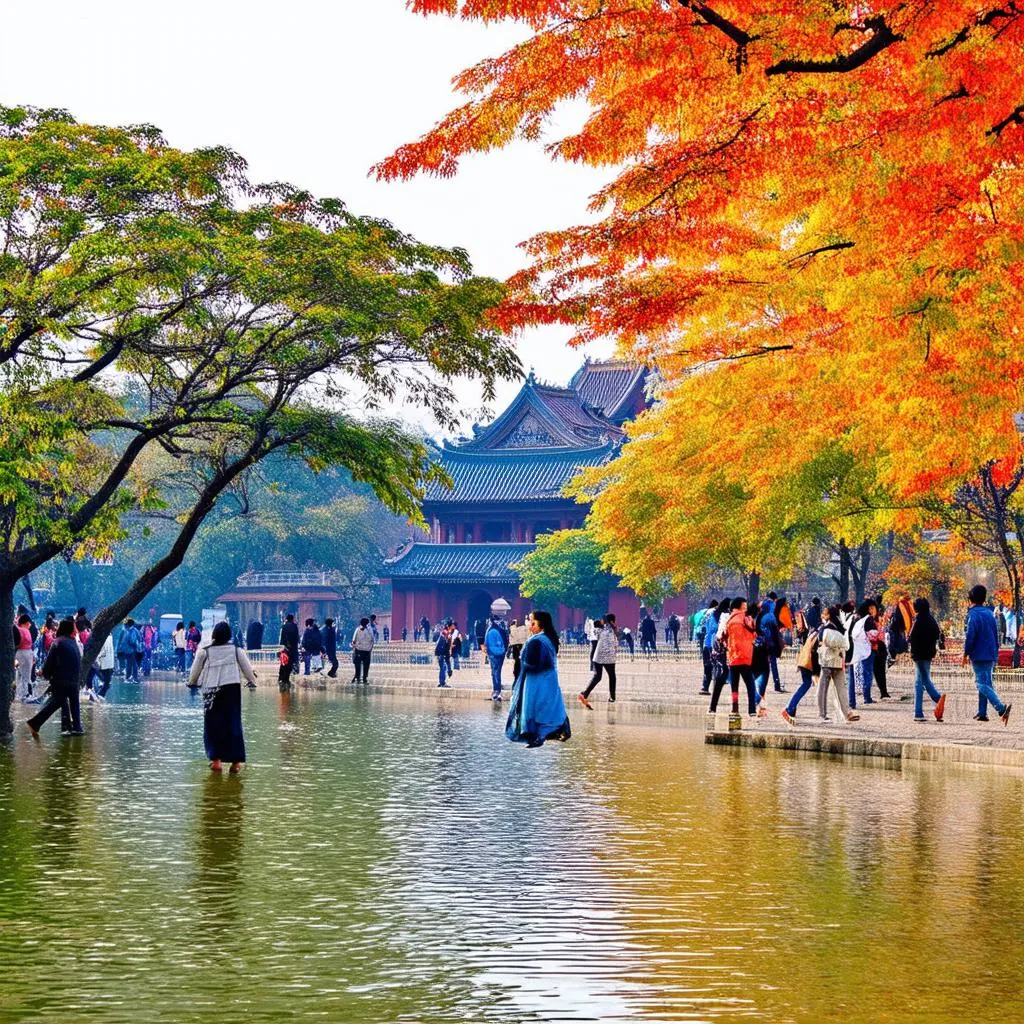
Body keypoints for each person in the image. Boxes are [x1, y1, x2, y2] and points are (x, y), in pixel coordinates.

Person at [189, 620, 257, 773]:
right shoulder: (235, 650)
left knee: (212, 725)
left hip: (210, 691)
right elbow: (247, 668)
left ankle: (216, 761)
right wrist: (252, 681)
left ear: (214, 634)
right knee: (233, 724)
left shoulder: (204, 651)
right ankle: (235, 763)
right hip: (232, 690)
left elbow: (195, 671)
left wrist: (192, 683)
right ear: (229, 635)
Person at [505, 610, 571, 748]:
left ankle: (537, 736)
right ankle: (551, 732)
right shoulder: (549, 638)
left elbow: (533, 663)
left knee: (535, 708)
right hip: (549, 680)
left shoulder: (537, 641)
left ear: (541, 624)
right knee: (550, 707)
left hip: (536, 681)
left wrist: (521, 661)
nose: (530, 626)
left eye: (533, 623)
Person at [26, 617, 84, 738]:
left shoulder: (58, 642)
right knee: (73, 703)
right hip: (74, 680)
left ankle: (35, 723)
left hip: (61, 680)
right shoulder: (73, 642)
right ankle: (75, 727)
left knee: (57, 702)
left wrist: (44, 673)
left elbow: (49, 663)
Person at [963, 584, 1011, 725]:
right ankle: (982, 713)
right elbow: (996, 635)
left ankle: (1001, 708)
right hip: (990, 653)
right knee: (986, 682)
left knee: (980, 683)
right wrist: (995, 651)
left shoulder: (973, 615)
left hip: (978, 654)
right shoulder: (990, 614)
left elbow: (970, 636)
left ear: (970, 599)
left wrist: (966, 653)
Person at [709, 597, 758, 717]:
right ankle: (751, 709)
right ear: (739, 606)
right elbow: (755, 634)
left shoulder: (729, 620)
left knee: (734, 686)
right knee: (750, 685)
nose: (746, 607)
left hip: (733, 657)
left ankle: (735, 708)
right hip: (745, 656)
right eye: (744, 605)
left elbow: (723, 636)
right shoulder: (747, 619)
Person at [818, 605, 858, 722]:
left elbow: (821, 641)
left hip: (826, 662)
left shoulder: (825, 628)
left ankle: (822, 714)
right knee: (841, 688)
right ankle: (847, 713)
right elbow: (846, 645)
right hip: (839, 661)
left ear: (828, 616)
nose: (822, 616)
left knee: (822, 690)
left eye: (824, 614)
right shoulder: (840, 628)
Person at [909, 597, 945, 722]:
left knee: (921, 682)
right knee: (921, 681)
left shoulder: (918, 620)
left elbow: (911, 637)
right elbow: (937, 634)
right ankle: (919, 711)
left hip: (919, 655)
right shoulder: (931, 619)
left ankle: (936, 699)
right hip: (928, 654)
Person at [782, 620, 820, 725]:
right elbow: (815, 654)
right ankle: (789, 708)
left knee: (805, 684)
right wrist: (816, 673)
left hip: (804, 662)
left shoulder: (815, 632)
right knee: (806, 684)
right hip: (808, 663)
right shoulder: (820, 634)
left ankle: (791, 710)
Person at [578, 613, 618, 708]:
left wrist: (601, 623)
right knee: (612, 677)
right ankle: (612, 697)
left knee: (597, 677)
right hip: (609, 658)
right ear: (613, 621)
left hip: (598, 657)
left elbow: (594, 631)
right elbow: (617, 636)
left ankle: (585, 694)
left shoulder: (599, 630)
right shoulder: (613, 630)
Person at [697, 600, 719, 694]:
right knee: (715, 666)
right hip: (713, 644)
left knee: (707, 667)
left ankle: (705, 687)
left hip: (706, 644)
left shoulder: (705, 614)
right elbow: (714, 630)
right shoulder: (715, 614)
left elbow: (701, 627)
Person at [485, 616, 507, 701]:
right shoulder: (502, 628)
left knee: (495, 672)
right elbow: (506, 640)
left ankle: (496, 691)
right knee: (497, 671)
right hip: (501, 653)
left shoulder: (490, 630)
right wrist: (504, 651)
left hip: (493, 654)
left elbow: (486, 642)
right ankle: (497, 690)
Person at [13, 613, 34, 703]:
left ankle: (17, 695)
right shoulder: (24, 631)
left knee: (19, 676)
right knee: (26, 677)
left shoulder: (19, 629)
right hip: (25, 654)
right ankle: (25, 696)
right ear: (25, 623)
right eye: (29, 623)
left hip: (19, 654)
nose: (30, 625)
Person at [352, 617, 374, 684]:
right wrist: (370, 649)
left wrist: (354, 649)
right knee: (366, 665)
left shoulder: (357, 629)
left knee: (357, 665)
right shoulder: (370, 630)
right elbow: (372, 640)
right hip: (367, 651)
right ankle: (364, 679)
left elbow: (353, 640)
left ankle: (358, 678)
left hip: (358, 650)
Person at [279, 614, 299, 685]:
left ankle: (281, 678)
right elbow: (296, 638)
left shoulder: (284, 626)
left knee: (284, 663)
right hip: (293, 649)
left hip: (285, 648)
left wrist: (282, 648)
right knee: (290, 664)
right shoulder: (295, 626)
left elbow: (282, 638)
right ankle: (286, 679)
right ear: (292, 619)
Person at [95, 631, 116, 697]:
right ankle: (100, 695)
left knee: (106, 681)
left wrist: (98, 657)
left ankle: (99, 695)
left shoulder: (105, 637)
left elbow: (104, 650)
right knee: (107, 681)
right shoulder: (109, 637)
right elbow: (105, 650)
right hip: (107, 663)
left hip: (104, 662)